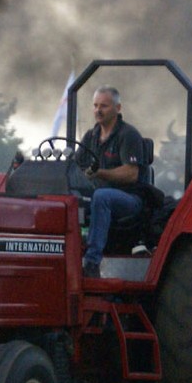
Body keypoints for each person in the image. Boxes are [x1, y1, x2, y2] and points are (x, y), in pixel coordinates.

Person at [78, 86, 147, 278]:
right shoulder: (90, 136)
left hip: (129, 199)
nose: (98, 110)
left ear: (118, 108)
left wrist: (99, 173)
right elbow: (75, 165)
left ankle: (91, 263)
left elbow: (131, 174)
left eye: (104, 106)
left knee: (102, 197)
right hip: (95, 196)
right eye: (95, 106)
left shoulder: (128, 135)